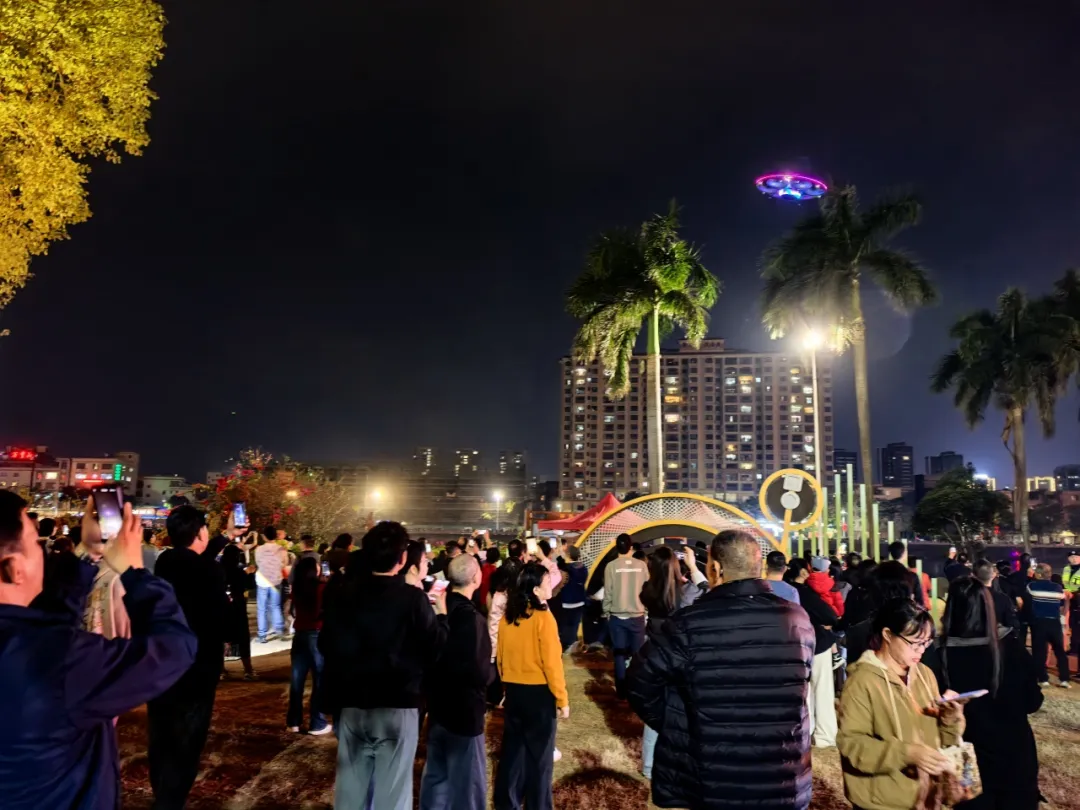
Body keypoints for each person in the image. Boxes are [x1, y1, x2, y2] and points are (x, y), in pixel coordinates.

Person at [0, 491, 196, 810]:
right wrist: (135, 572)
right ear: (13, 568)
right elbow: (175, 649)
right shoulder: (59, 662)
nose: (43, 553)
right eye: (35, 543)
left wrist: (88, 553)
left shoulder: (35, 646)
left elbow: (48, 628)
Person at [627, 531, 815, 810]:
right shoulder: (796, 619)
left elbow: (639, 680)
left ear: (715, 568)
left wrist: (673, 722)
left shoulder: (687, 623)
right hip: (781, 772)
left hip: (709, 774)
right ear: (759, 566)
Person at [320, 522, 447, 810]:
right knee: (392, 795)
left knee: (350, 794)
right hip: (397, 705)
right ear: (402, 559)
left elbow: (326, 644)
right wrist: (442, 618)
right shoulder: (412, 599)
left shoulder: (344, 595)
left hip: (353, 703)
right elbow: (434, 648)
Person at [837, 598, 965, 810]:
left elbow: (943, 740)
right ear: (888, 635)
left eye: (926, 642)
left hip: (926, 798)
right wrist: (907, 754)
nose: (921, 650)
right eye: (914, 643)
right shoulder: (862, 682)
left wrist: (950, 719)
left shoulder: (924, 674)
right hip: (883, 802)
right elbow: (852, 745)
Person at [937, 577, 1043, 810]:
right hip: (1014, 755)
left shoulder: (939, 654)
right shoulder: (1011, 648)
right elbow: (1033, 701)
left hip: (968, 759)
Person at [149, 505, 230, 809]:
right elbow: (218, 616)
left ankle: (162, 793)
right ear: (199, 533)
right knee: (187, 740)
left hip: (161, 663)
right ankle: (170, 802)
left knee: (161, 733)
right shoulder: (211, 572)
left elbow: (193, 562)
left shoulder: (164, 563)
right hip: (198, 666)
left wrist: (223, 538)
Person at [493, 561, 569, 810]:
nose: (550, 585)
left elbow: (501, 657)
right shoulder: (544, 618)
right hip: (539, 695)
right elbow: (552, 663)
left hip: (515, 692)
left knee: (512, 753)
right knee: (540, 759)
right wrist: (562, 698)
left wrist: (506, 688)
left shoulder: (508, 618)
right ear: (536, 590)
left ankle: (506, 803)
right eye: (546, 582)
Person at [420, 555, 494, 810]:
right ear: (476, 578)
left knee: (436, 776)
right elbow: (479, 672)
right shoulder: (472, 619)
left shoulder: (437, 609)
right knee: (468, 783)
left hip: (437, 706)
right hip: (465, 711)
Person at [637, 545, 706, 780]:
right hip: (680, 657)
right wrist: (693, 567)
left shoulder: (647, 590)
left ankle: (649, 765)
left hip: (655, 655)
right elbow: (707, 591)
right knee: (684, 710)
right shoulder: (686, 592)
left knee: (654, 711)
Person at [787, 558, 840, 748]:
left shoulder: (777, 591)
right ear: (803, 572)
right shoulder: (804, 592)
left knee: (803, 692)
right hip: (817, 644)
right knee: (822, 689)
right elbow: (829, 615)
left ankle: (805, 732)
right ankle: (825, 736)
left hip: (792, 646)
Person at [287, 556, 331, 734]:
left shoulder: (297, 589)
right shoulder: (322, 588)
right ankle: (317, 722)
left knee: (297, 680)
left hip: (299, 634)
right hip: (316, 634)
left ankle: (293, 721)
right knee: (319, 679)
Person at [602, 532, 648, 699]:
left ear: (617, 547)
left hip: (617, 616)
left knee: (619, 655)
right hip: (637, 615)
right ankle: (637, 690)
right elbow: (647, 590)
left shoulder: (611, 566)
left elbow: (608, 592)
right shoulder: (641, 566)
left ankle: (621, 691)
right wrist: (646, 611)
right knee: (637, 655)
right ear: (631, 547)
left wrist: (606, 611)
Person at [1027, 562, 1070, 688]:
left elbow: (1026, 597)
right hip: (1054, 622)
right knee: (1060, 651)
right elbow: (1062, 606)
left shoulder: (1032, 586)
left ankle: (1043, 678)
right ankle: (1064, 679)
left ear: (1038, 574)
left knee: (1040, 651)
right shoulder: (1058, 587)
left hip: (1039, 622)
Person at [220, 543, 257, 679]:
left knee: (222, 637)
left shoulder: (218, 571)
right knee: (242, 638)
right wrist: (250, 573)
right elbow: (250, 585)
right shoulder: (239, 572)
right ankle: (248, 670)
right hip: (238, 607)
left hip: (222, 607)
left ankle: (221, 670)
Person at [254, 526, 289, 642]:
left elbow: (258, 562)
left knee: (262, 608)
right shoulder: (282, 550)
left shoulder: (259, 549)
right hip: (276, 581)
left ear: (264, 536)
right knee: (275, 606)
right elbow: (285, 563)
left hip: (262, 581)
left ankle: (262, 635)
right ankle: (279, 630)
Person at [556, 544, 589, 651]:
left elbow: (562, 567)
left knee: (565, 627)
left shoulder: (567, 568)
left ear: (568, 555)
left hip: (567, 601)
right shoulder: (584, 568)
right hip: (580, 601)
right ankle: (573, 647)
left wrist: (559, 557)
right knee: (574, 626)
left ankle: (567, 648)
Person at [972, 558, 1018, 630]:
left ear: (973, 575)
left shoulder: (965, 597)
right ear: (993, 575)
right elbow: (1012, 625)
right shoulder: (1003, 599)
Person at [887, 540, 925, 607]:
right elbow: (919, 602)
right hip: (905, 611)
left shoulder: (882, 574)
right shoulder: (911, 576)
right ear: (904, 553)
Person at [1064, 549, 1080, 660]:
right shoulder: (1066, 569)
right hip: (1069, 600)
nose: (1073, 559)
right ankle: (1074, 647)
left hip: (1078, 599)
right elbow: (1064, 583)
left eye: (1076, 557)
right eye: (1071, 557)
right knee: (1073, 625)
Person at [477, 546, 500, 610]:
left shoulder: (483, 568)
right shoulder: (495, 571)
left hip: (481, 599)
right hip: (489, 601)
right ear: (497, 558)